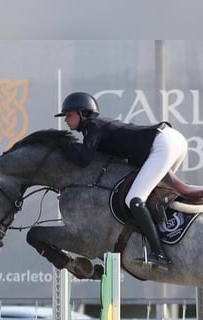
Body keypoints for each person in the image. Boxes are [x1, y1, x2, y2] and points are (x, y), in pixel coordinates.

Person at [55, 91, 189, 271]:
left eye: (69, 115)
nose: (66, 120)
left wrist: (62, 145)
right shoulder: (97, 128)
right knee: (152, 196)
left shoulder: (93, 126)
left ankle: (160, 255)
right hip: (172, 140)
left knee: (134, 199)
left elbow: (84, 160)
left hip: (162, 144)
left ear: (82, 113)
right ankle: (170, 236)